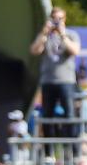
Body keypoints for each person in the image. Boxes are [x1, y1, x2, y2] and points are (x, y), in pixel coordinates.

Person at [30, 8, 80, 138]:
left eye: (60, 18)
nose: (57, 21)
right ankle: (48, 153)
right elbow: (34, 50)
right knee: (47, 115)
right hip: (48, 81)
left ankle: (71, 148)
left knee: (69, 115)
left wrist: (62, 34)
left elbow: (75, 51)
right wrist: (44, 32)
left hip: (66, 81)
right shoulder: (46, 36)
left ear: (65, 19)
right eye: (54, 18)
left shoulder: (70, 35)